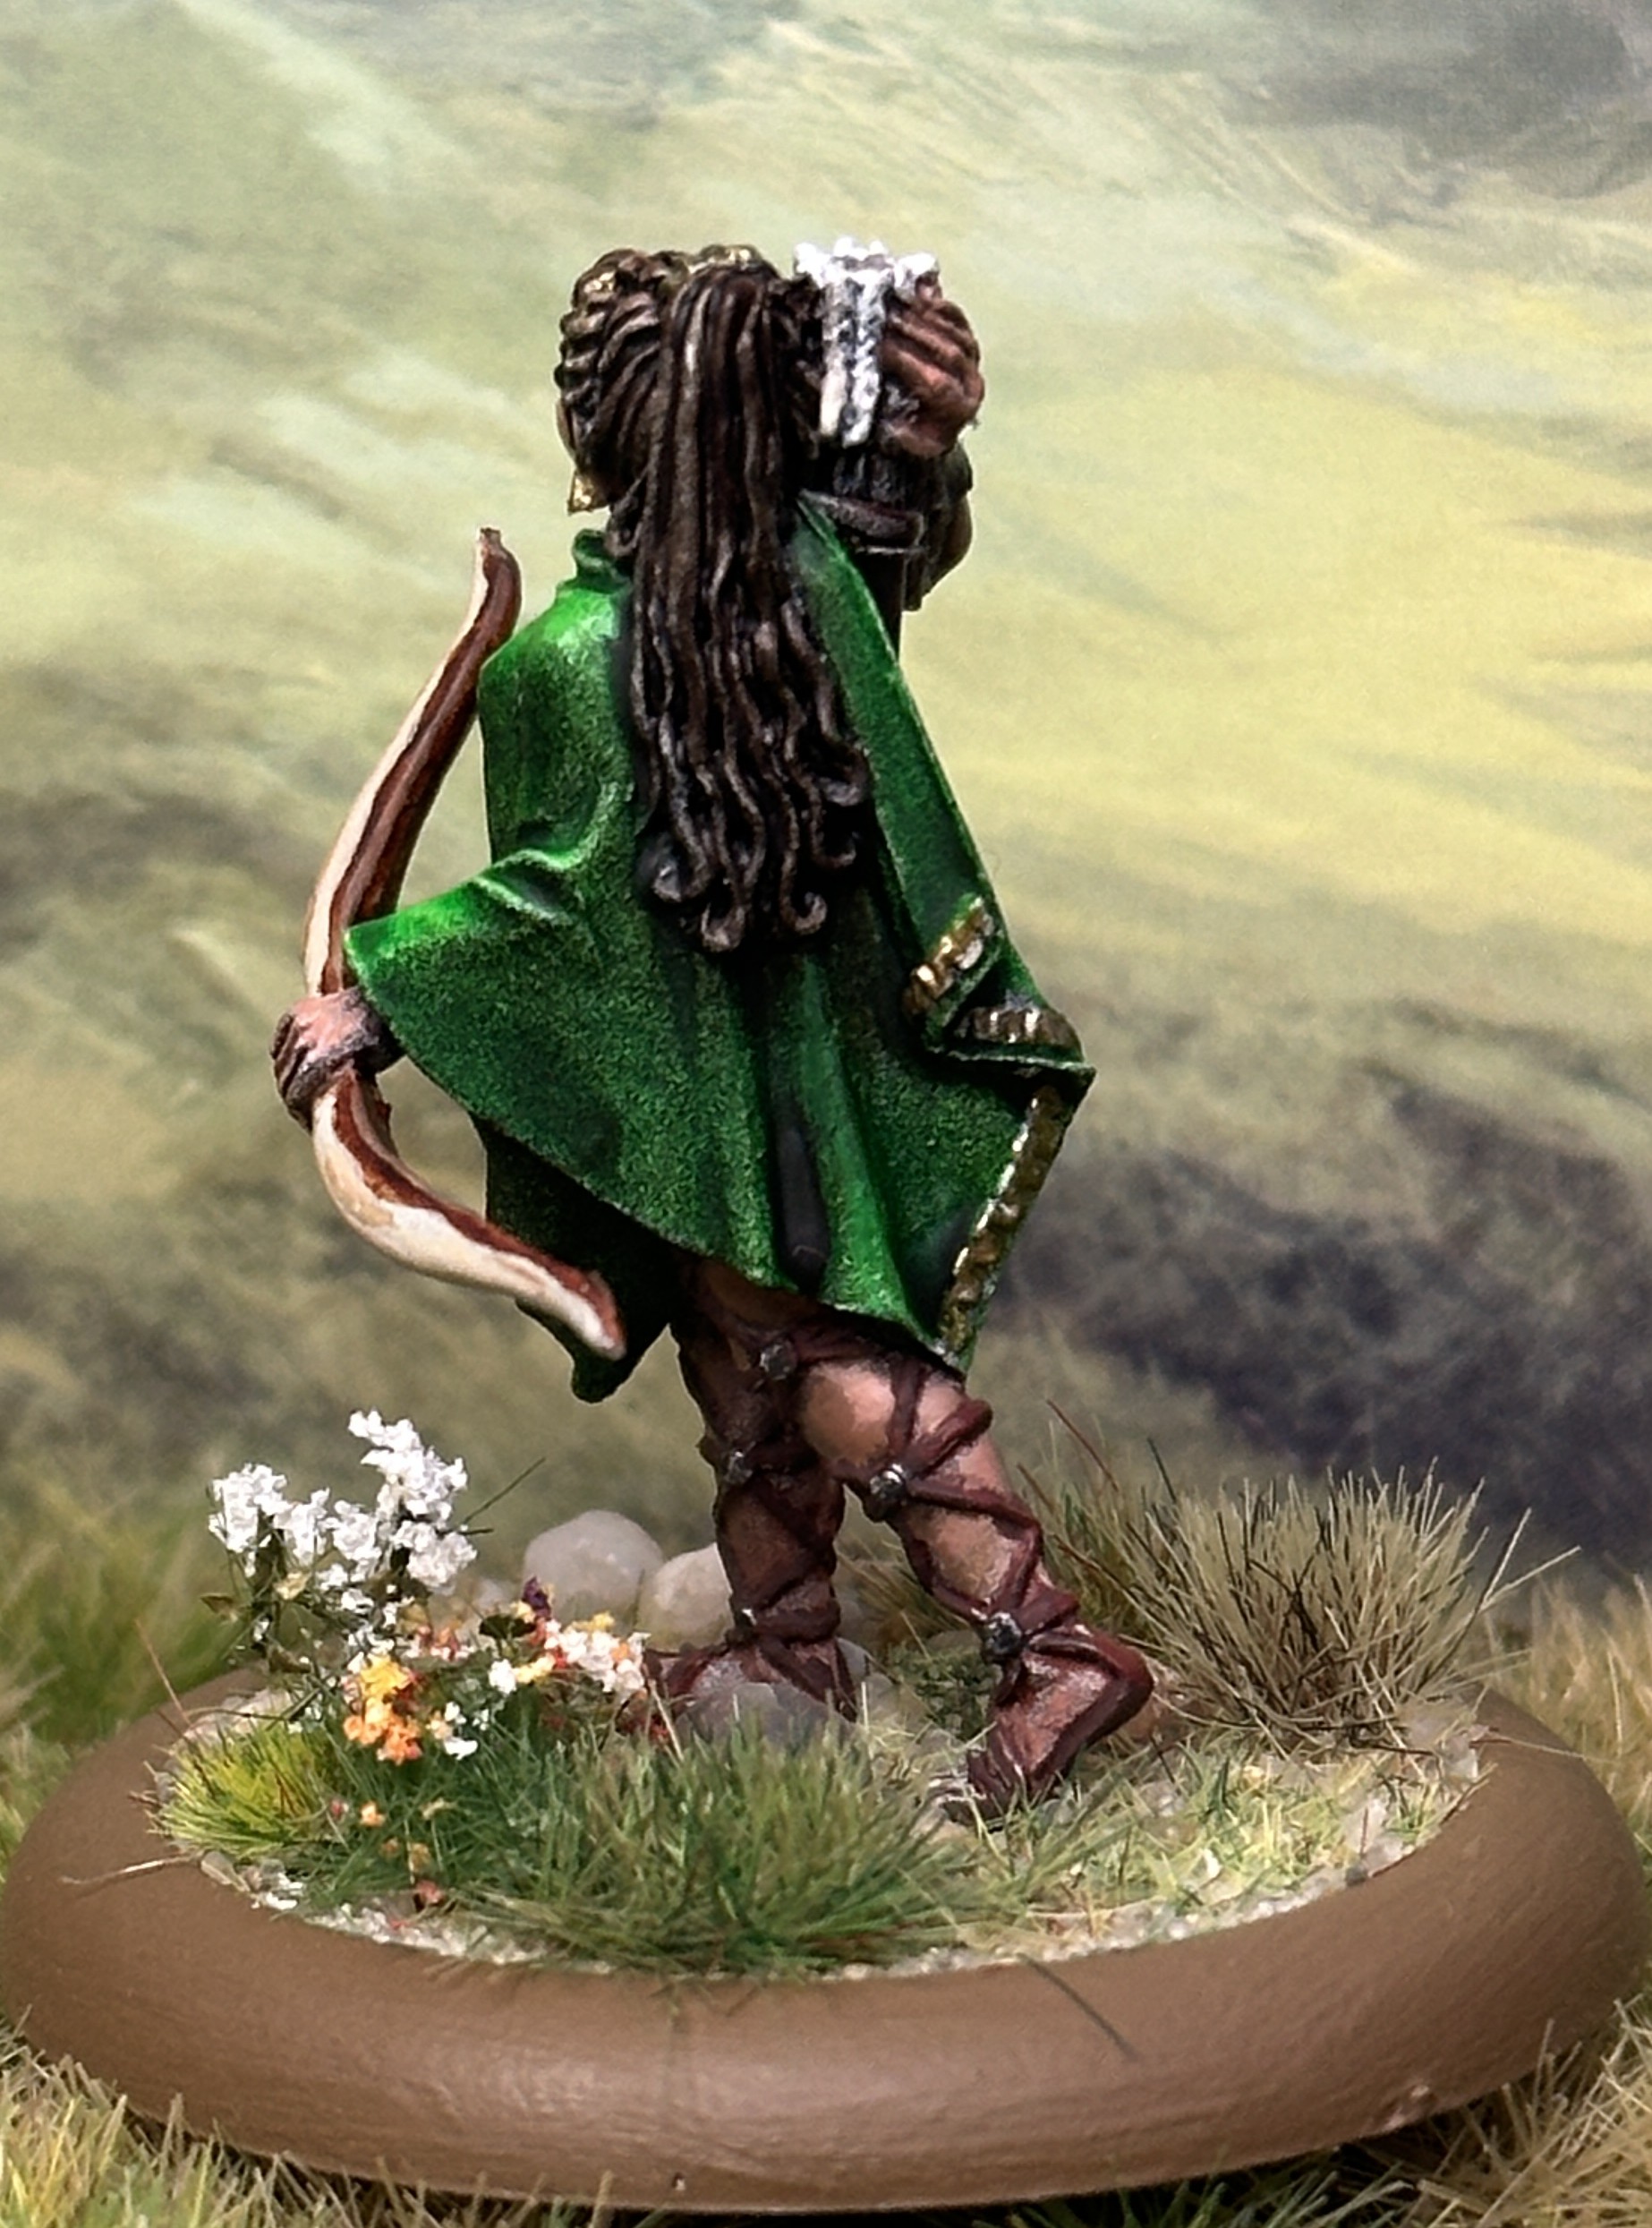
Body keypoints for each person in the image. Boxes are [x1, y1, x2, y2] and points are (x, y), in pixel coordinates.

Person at [272, 243, 1151, 1808]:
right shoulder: (794, 591)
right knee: (739, 1345)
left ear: (592, 432)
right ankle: (787, 1641)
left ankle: (1052, 1654)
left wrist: (379, 1002)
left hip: (738, 1091)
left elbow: (564, 902)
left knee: (810, 1350)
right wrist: (913, 453)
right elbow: (884, 538)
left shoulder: (578, 655)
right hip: (774, 1086)